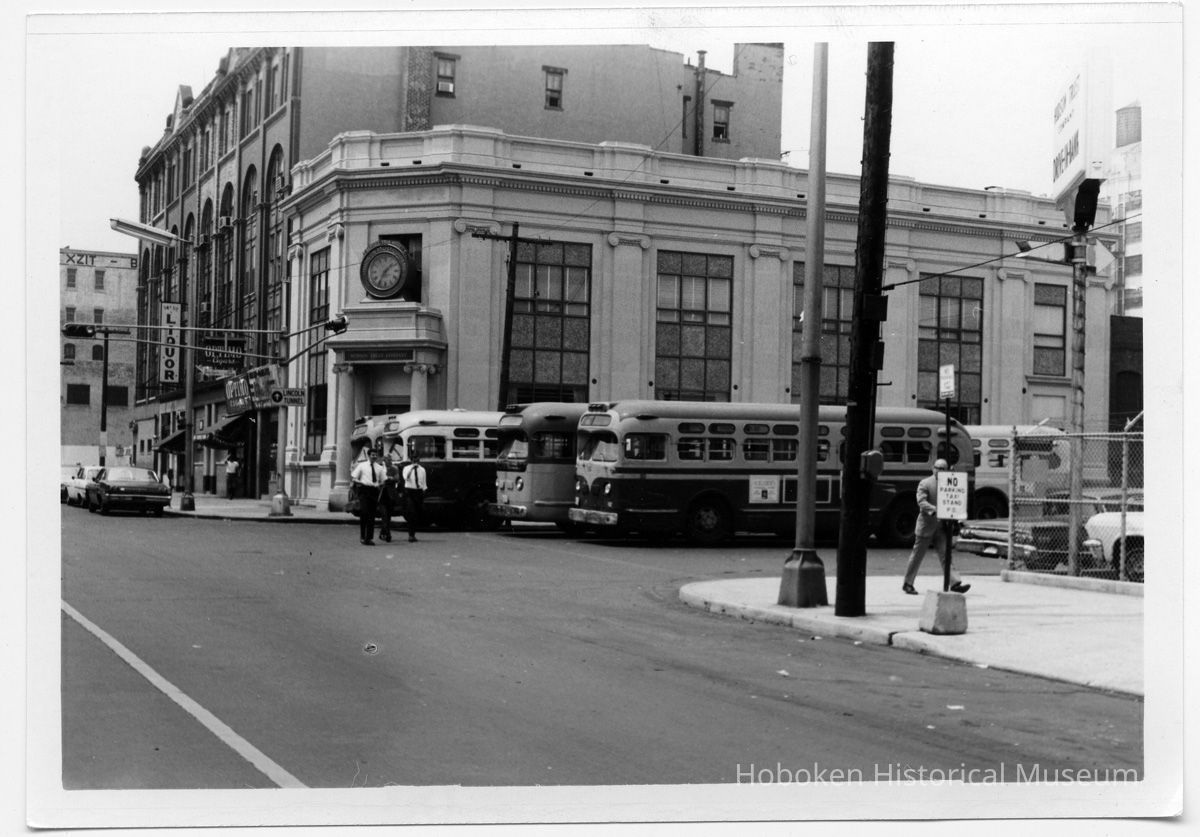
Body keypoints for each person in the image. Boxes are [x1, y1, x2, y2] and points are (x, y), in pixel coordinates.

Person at [902, 458, 970, 595]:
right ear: (933, 468)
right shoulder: (925, 483)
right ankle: (908, 583)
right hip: (926, 525)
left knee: (946, 556)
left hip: (941, 527)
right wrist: (936, 510)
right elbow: (921, 501)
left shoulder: (950, 484)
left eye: (943, 468)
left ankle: (955, 583)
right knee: (917, 556)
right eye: (937, 468)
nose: (939, 470)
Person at [350, 448, 386, 546]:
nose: (374, 456)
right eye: (372, 455)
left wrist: (380, 485)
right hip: (364, 490)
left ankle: (369, 538)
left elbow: (383, 481)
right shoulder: (362, 466)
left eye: (376, 455)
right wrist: (360, 482)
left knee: (371, 516)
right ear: (369, 456)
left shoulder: (380, 468)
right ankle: (362, 536)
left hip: (374, 491)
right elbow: (354, 478)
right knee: (364, 513)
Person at [401, 451, 428, 542]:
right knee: (411, 512)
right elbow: (406, 478)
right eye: (413, 458)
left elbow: (424, 482)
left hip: (418, 492)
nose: (415, 460)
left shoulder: (422, 469)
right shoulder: (406, 468)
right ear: (411, 459)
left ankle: (413, 533)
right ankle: (411, 535)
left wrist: (424, 490)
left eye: (417, 458)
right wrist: (412, 468)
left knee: (417, 513)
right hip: (409, 491)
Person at [377, 457, 402, 543]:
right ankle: (388, 534)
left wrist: (391, 478)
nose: (389, 462)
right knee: (384, 515)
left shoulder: (394, 469)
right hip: (382, 493)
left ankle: (383, 532)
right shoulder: (380, 469)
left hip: (390, 494)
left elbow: (397, 479)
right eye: (387, 460)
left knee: (388, 515)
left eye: (390, 460)